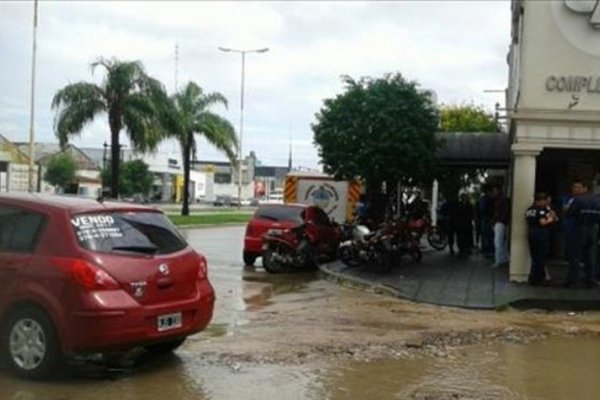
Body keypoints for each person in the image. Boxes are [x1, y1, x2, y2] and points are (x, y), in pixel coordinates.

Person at [564, 180, 600, 288]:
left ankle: (573, 281)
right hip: (593, 229)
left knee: (575, 256)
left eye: (577, 187)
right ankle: (590, 280)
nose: (574, 190)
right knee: (591, 256)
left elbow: (569, 213)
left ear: (585, 188)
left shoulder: (577, 200)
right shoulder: (597, 201)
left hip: (580, 228)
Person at [525, 192, 557, 286]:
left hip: (531, 233)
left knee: (535, 257)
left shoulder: (529, 210)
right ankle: (537, 279)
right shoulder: (541, 209)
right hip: (541, 234)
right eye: (544, 201)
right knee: (541, 257)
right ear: (541, 200)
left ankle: (534, 277)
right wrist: (550, 219)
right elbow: (543, 222)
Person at [491, 185, 510, 268]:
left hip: (500, 222)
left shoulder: (500, 200)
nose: (493, 192)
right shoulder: (502, 199)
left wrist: (496, 221)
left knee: (498, 242)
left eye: (494, 190)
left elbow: (500, 212)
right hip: (501, 222)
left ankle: (499, 260)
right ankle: (503, 259)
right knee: (501, 242)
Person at [455, 193, 474, 257]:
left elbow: (471, 214)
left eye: (466, 197)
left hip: (467, 224)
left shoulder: (469, 205)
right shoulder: (458, 205)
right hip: (460, 224)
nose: (465, 198)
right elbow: (456, 214)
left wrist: (470, 221)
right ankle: (461, 250)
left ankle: (466, 249)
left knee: (467, 237)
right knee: (460, 238)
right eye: (464, 197)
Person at [478, 184, 494, 257]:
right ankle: (489, 250)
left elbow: (481, 209)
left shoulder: (483, 198)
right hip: (488, 219)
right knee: (489, 235)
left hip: (485, 218)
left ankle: (486, 249)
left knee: (485, 234)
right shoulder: (490, 199)